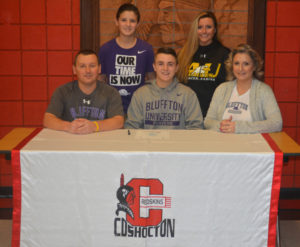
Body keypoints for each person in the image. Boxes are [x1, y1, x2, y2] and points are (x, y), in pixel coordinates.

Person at [204, 44, 282, 134]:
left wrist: (239, 127)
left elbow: (276, 123)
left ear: (254, 66)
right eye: (236, 63)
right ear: (232, 66)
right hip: (223, 144)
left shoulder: (263, 91)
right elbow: (208, 121)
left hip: (253, 145)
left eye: (246, 64)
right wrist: (221, 125)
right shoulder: (221, 89)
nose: (240, 69)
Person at [43, 50, 124, 134]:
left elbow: (119, 121)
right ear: (74, 69)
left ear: (99, 69)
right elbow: (48, 119)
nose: (88, 71)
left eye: (92, 66)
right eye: (82, 66)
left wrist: (94, 126)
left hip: (101, 143)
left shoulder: (111, 92)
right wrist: (68, 126)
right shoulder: (62, 91)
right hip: (70, 141)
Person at [125, 47, 203, 129]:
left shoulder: (188, 94)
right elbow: (131, 127)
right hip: (148, 141)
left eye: (170, 64)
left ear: (176, 68)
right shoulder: (140, 94)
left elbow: (196, 127)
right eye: (160, 64)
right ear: (154, 67)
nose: (165, 68)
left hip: (178, 141)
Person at [98, 3, 155, 114]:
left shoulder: (146, 49)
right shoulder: (106, 49)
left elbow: (152, 80)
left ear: (138, 24)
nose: (128, 24)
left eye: (132, 21)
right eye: (124, 20)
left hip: (139, 109)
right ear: (116, 22)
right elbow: (100, 81)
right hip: (112, 109)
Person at [177, 11, 230, 118]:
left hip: (213, 116)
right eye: (200, 27)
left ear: (215, 30)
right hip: (187, 115)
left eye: (208, 27)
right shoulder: (183, 54)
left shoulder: (225, 54)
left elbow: (230, 88)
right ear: (194, 30)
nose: (204, 31)